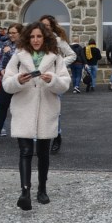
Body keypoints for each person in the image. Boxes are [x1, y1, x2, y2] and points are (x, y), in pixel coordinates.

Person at [2, 21, 71, 210]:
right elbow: (6, 84)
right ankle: (25, 191)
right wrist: (19, 80)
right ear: (27, 38)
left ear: (45, 37)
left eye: (39, 36)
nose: (35, 40)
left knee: (43, 153)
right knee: (24, 151)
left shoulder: (55, 57)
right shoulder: (18, 56)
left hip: (47, 108)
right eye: (32, 36)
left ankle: (42, 189)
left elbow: (65, 83)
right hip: (24, 107)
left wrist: (52, 80)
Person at [39, 15, 75, 154]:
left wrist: (59, 66)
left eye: (47, 25)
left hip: (55, 79)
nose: (44, 28)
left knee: (54, 110)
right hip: (40, 79)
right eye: (42, 25)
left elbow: (72, 55)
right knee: (40, 109)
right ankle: (40, 138)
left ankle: (57, 136)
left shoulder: (58, 40)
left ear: (52, 27)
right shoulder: (37, 40)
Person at [0, 23, 22, 142]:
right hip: (6, 79)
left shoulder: (24, 46)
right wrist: (1, 70)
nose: (10, 35)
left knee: (19, 108)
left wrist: (9, 53)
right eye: (9, 33)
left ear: (20, 33)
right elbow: (0, 60)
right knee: (2, 106)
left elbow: (22, 61)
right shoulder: (6, 44)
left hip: (19, 80)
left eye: (13, 33)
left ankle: (22, 134)